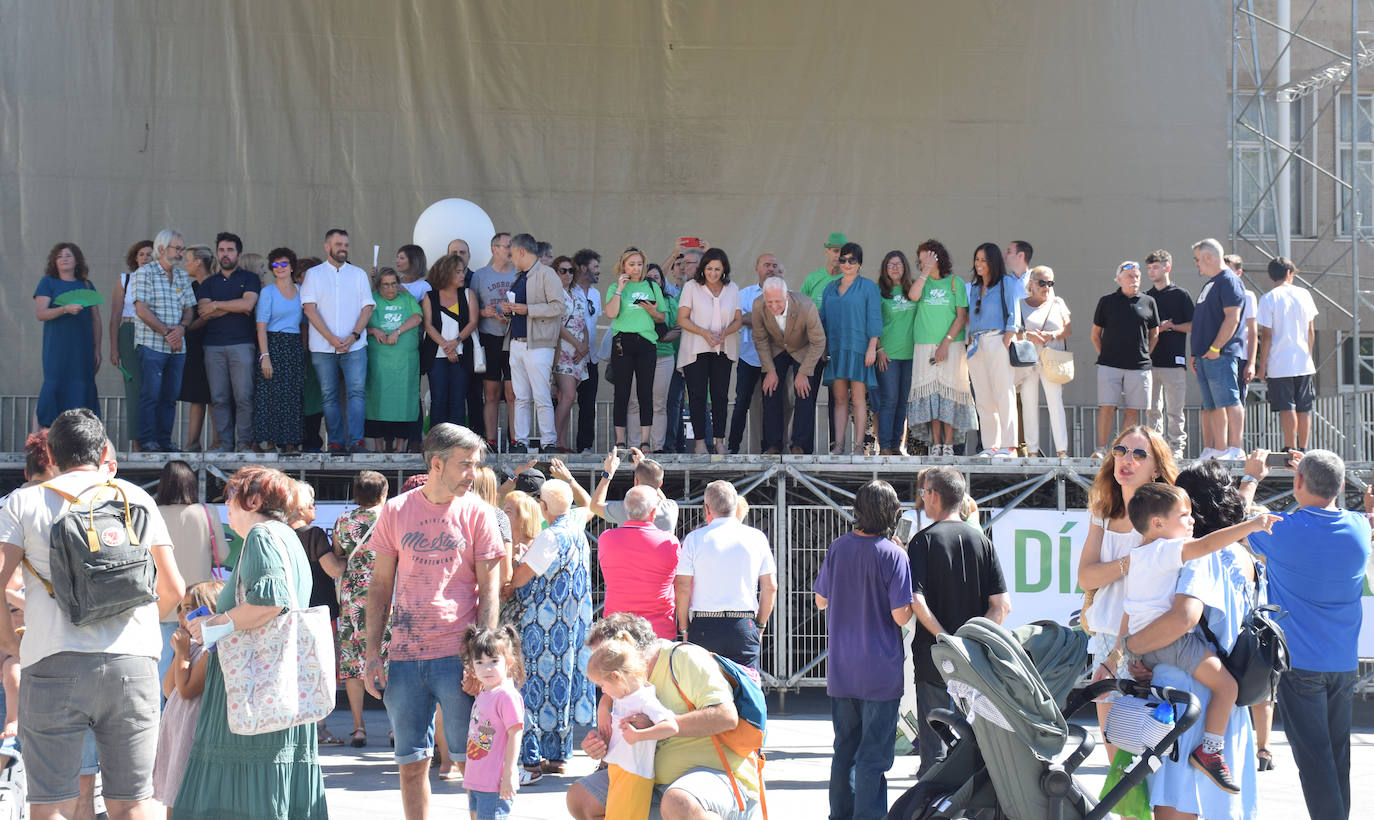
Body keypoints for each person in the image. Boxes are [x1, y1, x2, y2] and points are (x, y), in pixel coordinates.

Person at [0, 409, 186, 820]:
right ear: (103, 451)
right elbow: (174, 590)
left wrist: (12, 644)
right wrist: (132, 626)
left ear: (50, 452)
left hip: (50, 662)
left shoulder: (23, 502)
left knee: (51, 803)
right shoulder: (135, 498)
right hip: (133, 664)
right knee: (132, 801)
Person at [364, 423, 504, 820]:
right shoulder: (395, 510)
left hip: (458, 657)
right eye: (466, 465)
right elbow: (379, 587)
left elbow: (489, 592)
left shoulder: (479, 513)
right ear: (437, 464)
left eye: (475, 465)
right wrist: (373, 653)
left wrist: (483, 660)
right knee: (410, 766)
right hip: (404, 657)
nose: (473, 475)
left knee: (477, 768)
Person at [173, 466, 326, 819]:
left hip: (253, 696)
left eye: (231, 496)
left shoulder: (261, 535)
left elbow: (272, 601)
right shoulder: (286, 536)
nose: (226, 505)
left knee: (240, 801)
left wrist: (217, 622)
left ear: (254, 500)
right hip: (278, 692)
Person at [1126, 457, 1265, 819]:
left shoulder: (1199, 554)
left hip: (1185, 706)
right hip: (1226, 709)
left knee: (1178, 807)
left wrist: (1135, 647)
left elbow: (1183, 617)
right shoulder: (1247, 557)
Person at [1246, 449, 1369, 819]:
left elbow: (1232, 519)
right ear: (1342, 486)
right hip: (1344, 663)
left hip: (1301, 665)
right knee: (1336, 758)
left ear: (1298, 482)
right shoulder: (1360, 527)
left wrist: (1252, 478)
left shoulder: (1282, 528)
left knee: (1315, 762)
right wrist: (1314, 473)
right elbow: (1332, 496)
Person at [566, 614, 763, 819]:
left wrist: (657, 727)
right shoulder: (623, 682)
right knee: (581, 798)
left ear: (627, 649)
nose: (600, 675)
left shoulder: (684, 659)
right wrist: (602, 745)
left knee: (679, 802)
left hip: (716, 777)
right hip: (648, 781)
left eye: (603, 658)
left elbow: (726, 716)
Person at [1078, 424, 1179, 761]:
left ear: (1156, 467)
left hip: (1143, 640)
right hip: (1106, 636)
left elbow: (1141, 594)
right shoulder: (1102, 512)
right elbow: (1085, 578)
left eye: (1139, 454)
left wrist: (1118, 656)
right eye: (1120, 450)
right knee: (1116, 763)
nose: (1126, 459)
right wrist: (1131, 562)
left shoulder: (1163, 518)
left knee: (1144, 756)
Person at [814, 479, 911, 820]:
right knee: (873, 756)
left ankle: (839, 814)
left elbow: (820, 600)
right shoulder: (895, 555)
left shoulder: (838, 547)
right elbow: (901, 617)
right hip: (881, 673)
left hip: (842, 669)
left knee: (844, 750)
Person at [907, 466, 1011, 775]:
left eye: (925, 492)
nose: (923, 498)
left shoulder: (922, 542)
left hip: (933, 658)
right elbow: (1002, 605)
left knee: (935, 753)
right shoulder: (982, 542)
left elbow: (916, 599)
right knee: (977, 747)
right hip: (975, 660)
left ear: (935, 496)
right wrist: (970, 639)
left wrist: (944, 638)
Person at [502, 479, 595, 780]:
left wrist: (517, 562)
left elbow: (519, 579)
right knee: (561, 686)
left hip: (541, 626)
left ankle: (530, 760)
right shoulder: (578, 534)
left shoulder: (551, 537)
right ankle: (558, 755)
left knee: (529, 687)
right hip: (572, 624)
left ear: (543, 506)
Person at [674, 480, 776, 670]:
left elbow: (682, 586)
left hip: (704, 624)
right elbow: (770, 587)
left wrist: (685, 627)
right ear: (736, 506)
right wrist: (760, 625)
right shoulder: (757, 537)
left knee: (704, 692)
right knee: (744, 692)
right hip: (743, 623)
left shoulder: (694, 539)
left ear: (707, 508)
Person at [583, 636, 680, 819]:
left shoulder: (644, 699)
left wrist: (640, 736)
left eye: (602, 685)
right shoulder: (623, 695)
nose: (603, 691)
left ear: (616, 677)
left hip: (634, 774)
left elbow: (671, 726)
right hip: (620, 769)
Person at [301, 228, 376, 454]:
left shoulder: (358, 274)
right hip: (323, 347)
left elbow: (368, 307)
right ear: (327, 247)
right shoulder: (313, 274)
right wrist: (331, 338)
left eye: (345, 244)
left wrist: (353, 335)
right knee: (329, 394)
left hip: (355, 346)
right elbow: (309, 309)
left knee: (356, 392)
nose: (343, 248)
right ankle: (335, 442)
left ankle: (356, 442)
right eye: (338, 244)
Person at [154, 460, 228, 683]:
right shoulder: (207, 512)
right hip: (199, 604)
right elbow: (222, 555)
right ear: (191, 485)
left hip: (162, 603)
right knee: (198, 664)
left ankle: (158, 715)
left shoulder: (153, 513)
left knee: (161, 666)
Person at [152, 580, 223, 814]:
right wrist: (179, 652)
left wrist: (182, 652)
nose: (183, 615)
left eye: (191, 608)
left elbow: (186, 690)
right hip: (178, 732)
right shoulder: (191, 646)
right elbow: (168, 690)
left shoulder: (210, 650)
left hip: (194, 732)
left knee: (186, 793)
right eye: (181, 609)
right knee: (174, 792)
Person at [333, 470, 390, 749]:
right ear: (383, 493)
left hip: (353, 597)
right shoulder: (391, 518)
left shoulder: (344, 521)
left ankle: (358, 727)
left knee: (353, 664)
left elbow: (338, 554)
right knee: (389, 659)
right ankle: (394, 727)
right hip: (386, 595)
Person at [906, 239, 974, 457]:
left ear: (938, 256)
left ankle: (949, 444)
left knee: (949, 393)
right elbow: (913, 296)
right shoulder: (921, 282)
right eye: (921, 257)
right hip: (924, 344)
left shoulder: (955, 282)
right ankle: (936, 443)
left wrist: (945, 343)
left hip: (952, 345)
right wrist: (925, 272)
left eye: (928, 256)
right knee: (932, 393)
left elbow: (961, 317)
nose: (923, 260)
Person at [500, 233, 567, 454]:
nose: (510, 259)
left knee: (541, 395)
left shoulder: (547, 274)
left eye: (511, 254)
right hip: (517, 342)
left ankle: (548, 442)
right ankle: (521, 441)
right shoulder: (520, 276)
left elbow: (558, 307)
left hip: (538, 343)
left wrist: (529, 310)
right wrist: (508, 311)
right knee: (521, 396)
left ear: (521, 251)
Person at [132, 229, 197, 452]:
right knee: (151, 395)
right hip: (152, 345)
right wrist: (167, 333)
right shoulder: (144, 273)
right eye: (177, 248)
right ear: (161, 249)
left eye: (182, 249)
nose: (180, 253)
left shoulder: (181, 276)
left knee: (170, 397)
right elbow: (141, 310)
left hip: (178, 348)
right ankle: (147, 441)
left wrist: (181, 328)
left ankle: (164, 441)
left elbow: (190, 309)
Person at [1091, 261, 1160, 459]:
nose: (1135, 279)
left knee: (1133, 411)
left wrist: (1146, 353)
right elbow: (1095, 334)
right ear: (1119, 278)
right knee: (1107, 407)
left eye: (1137, 276)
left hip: (1138, 367)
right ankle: (1101, 449)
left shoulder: (1149, 301)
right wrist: (1104, 355)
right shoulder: (1106, 301)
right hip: (1109, 365)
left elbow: (1154, 333)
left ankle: (1124, 451)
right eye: (1130, 276)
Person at [678, 247, 743, 454]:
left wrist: (726, 332)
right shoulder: (691, 287)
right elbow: (682, 319)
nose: (713, 273)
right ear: (702, 268)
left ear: (724, 269)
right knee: (697, 395)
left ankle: (719, 442)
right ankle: (699, 443)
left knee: (720, 395)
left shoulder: (732, 288)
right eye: (709, 268)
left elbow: (738, 319)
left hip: (722, 349)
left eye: (717, 269)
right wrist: (703, 332)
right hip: (696, 348)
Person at [199, 232, 260, 452]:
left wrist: (216, 305)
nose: (225, 255)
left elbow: (247, 306)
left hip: (242, 344)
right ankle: (224, 444)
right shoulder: (208, 283)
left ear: (239, 254)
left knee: (244, 396)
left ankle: (244, 444)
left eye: (230, 250)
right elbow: (204, 313)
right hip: (213, 346)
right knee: (219, 398)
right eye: (222, 250)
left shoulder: (250, 278)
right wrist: (231, 306)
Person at [752, 277, 826, 454]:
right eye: (769, 302)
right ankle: (772, 445)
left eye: (778, 301)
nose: (774, 306)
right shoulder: (758, 305)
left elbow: (818, 342)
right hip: (776, 347)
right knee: (770, 390)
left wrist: (804, 372)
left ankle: (800, 445)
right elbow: (760, 339)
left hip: (804, 347)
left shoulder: (806, 306)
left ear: (786, 296)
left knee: (804, 392)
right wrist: (770, 370)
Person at [820, 242, 882, 455]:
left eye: (852, 260)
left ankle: (858, 446)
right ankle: (838, 445)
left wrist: (872, 347)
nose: (846, 264)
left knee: (857, 398)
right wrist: (823, 347)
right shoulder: (830, 287)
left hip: (859, 348)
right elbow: (823, 319)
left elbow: (874, 318)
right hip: (836, 348)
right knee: (839, 399)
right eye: (843, 259)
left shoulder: (869, 287)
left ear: (860, 263)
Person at [597, 485, 681, 639]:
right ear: (654, 513)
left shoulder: (606, 539)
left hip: (616, 630)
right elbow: (679, 582)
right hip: (659, 632)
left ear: (625, 508)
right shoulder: (670, 542)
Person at [34, 241, 102, 429]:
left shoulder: (87, 285)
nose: (64, 259)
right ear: (54, 261)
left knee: (82, 389)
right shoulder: (48, 282)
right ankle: (43, 439)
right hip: (57, 349)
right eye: (59, 256)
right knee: (53, 387)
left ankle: (79, 436)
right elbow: (40, 313)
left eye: (68, 255)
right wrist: (64, 309)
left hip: (83, 350)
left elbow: (96, 320)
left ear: (77, 260)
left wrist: (97, 349)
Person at [1191, 239, 1248, 460]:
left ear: (1208, 257)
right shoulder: (1211, 283)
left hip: (1221, 354)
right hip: (1206, 355)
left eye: (1197, 259)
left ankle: (1235, 448)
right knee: (1213, 404)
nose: (1197, 265)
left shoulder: (1229, 280)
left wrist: (1216, 347)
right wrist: (1197, 354)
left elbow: (1232, 317)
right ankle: (1219, 449)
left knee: (1230, 400)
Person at [462, 624, 526, 820]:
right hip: (477, 780)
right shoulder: (485, 692)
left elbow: (515, 733)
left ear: (509, 662)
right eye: (479, 662)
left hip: (495, 783)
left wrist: (508, 773)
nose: (486, 668)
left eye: (494, 661)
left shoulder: (506, 695)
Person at [1256, 256, 1319, 452]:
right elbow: (1311, 330)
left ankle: (1289, 446)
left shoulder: (1268, 298)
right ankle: (1303, 447)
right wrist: (1308, 354)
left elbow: (1266, 335)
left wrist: (1262, 365)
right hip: (1303, 361)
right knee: (1304, 407)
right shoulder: (1304, 294)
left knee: (1286, 406)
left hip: (1279, 361)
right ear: (1288, 273)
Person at [607, 247, 667, 450]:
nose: (636, 268)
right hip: (623, 341)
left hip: (646, 342)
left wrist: (652, 310)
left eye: (639, 264)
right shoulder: (615, 286)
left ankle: (644, 440)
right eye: (631, 264)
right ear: (623, 265)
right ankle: (620, 440)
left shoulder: (651, 285)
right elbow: (611, 313)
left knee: (645, 392)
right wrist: (619, 289)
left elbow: (662, 317)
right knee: (622, 392)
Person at [963, 242, 1020, 457]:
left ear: (993, 261)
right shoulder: (975, 288)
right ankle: (990, 446)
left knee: (1003, 393)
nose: (979, 264)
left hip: (997, 339)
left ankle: (1009, 445)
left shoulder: (1006, 283)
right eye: (976, 259)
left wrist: (1005, 340)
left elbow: (1014, 315)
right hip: (976, 344)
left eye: (983, 259)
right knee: (984, 398)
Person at [727, 254, 782, 454]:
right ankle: (732, 447)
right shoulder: (745, 293)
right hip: (748, 356)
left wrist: (753, 317)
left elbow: (783, 322)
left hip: (774, 359)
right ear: (756, 268)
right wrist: (766, 319)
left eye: (775, 265)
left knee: (772, 404)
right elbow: (738, 319)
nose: (771, 268)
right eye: (767, 265)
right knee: (742, 401)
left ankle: (769, 447)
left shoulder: (785, 294)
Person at [253, 247, 306, 454]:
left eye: (284, 264)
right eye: (275, 265)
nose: (280, 268)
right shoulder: (268, 292)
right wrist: (265, 356)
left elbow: (305, 322)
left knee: (292, 394)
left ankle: (291, 443)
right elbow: (261, 326)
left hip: (293, 345)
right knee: (270, 394)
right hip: (273, 343)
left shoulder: (302, 291)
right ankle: (270, 443)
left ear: (292, 266)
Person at [364, 268, 422, 452]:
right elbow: (358, 326)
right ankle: (379, 448)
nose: (391, 288)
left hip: (404, 362)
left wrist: (398, 331)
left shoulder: (407, 299)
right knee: (376, 402)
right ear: (379, 286)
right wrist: (374, 331)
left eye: (394, 284)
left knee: (402, 402)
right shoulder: (371, 299)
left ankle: (399, 448)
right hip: (379, 361)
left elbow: (417, 317)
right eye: (386, 284)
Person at [1016, 265, 1072, 457]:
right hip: (1028, 360)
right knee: (1028, 403)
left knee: (1055, 403)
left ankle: (1062, 451)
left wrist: (1051, 335)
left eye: (1050, 283)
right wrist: (1027, 334)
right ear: (1031, 283)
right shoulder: (1020, 303)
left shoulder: (1058, 303)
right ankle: (1031, 451)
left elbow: (1067, 329)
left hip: (1051, 359)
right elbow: (1013, 330)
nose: (1046, 287)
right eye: (1042, 282)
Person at [422, 252, 480, 430]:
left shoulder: (467, 294)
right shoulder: (430, 296)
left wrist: (455, 342)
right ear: (446, 273)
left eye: (462, 272)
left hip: (462, 355)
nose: (462, 276)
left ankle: (457, 444)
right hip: (436, 356)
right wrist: (446, 347)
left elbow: (473, 321)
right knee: (438, 399)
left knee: (458, 400)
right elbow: (428, 325)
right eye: (458, 272)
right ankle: (436, 443)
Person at [470, 233, 517, 452]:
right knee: (490, 392)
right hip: (489, 338)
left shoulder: (519, 274)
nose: (510, 249)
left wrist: (509, 314)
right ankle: (490, 441)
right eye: (506, 246)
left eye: (512, 246)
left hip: (512, 338)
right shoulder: (480, 276)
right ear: (494, 249)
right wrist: (485, 312)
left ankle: (515, 440)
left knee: (513, 393)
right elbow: (470, 309)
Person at [1145, 249, 1194, 459]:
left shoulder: (1180, 295)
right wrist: (1159, 330)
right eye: (1149, 268)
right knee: (1152, 410)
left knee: (1175, 410)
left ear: (1167, 267)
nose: (1151, 271)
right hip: (1150, 362)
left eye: (1155, 267)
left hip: (1174, 361)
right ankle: (1156, 449)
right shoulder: (1147, 297)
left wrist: (1171, 327)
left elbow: (1193, 325)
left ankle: (1176, 450)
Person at [111, 240, 153, 449]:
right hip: (129, 331)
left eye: (150, 255)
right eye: (142, 254)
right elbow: (115, 315)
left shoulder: (161, 280)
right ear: (135, 258)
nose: (145, 258)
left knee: (154, 386)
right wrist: (113, 348)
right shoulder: (125, 280)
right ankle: (138, 442)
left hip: (153, 332)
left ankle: (154, 438)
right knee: (134, 386)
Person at [875, 251, 917, 455]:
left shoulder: (914, 290)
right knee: (889, 399)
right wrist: (879, 349)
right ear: (884, 268)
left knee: (903, 401)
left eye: (898, 264)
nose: (894, 268)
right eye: (890, 265)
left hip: (911, 355)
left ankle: (896, 445)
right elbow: (873, 322)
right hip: (888, 355)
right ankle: (883, 446)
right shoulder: (879, 292)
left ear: (905, 267)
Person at [179, 244, 218, 452]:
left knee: (213, 395)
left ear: (198, 262)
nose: (185, 264)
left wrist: (187, 328)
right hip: (193, 345)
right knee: (196, 394)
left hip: (213, 341)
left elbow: (208, 315)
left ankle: (217, 440)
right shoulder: (192, 287)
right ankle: (192, 442)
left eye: (188, 259)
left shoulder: (215, 284)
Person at [642, 263, 684, 453]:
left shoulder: (669, 300)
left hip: (664, 355)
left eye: (656, 278)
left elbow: (678, 327)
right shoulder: (636, 300)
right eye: (648, 277)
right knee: (638, 402)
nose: (652, 281)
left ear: (662, 281)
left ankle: (657, 446)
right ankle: (639, 446)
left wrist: (662, 338)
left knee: (659, 403)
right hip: (640, 356)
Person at [553, 255, 592, 452]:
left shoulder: (576, 294)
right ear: (555, 272)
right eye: (563, 270)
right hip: (563, 349)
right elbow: (556, 325)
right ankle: (553, 442)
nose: (567, 274)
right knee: (568, 395)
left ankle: (562, 442)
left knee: (567, 399)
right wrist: (578, 344)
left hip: (578, 351)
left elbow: (582, 322)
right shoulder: (554, 294)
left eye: (570, 271)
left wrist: (584, 345)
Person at [590, 448, 680, 533]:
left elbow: (594, 506)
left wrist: (608, 473)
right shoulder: (671, 507)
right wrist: (644, 467)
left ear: (636, 482)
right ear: (660, 483)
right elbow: (663, 501)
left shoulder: (626, 508)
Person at [571, 249, 603, 453]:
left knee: (588, 403)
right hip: (570, 355)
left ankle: (585, 445)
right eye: (595, 267)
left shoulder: (596, 293)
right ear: (583, 268)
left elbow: (592, 321)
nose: (599, 271)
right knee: (563, 400)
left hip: (591, 356)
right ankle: (558, 443)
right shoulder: (568, 290)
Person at [1223, 254, 1261, 405]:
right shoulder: (1216, 293)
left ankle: (1236, 430)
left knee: (1237, 400)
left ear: (1239, 273)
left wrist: (1251, 363)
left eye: (1228, 270)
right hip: (1219, 355)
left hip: (1240, 356)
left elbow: (1252, 331)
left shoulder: (1248, 296)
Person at [800, 232, 845, 311]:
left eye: (843, 252)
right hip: (814, 322)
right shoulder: (812, 278)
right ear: (827, 251)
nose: (839, 255)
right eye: (836, 251)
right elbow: (800, 304)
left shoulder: (850, 280)